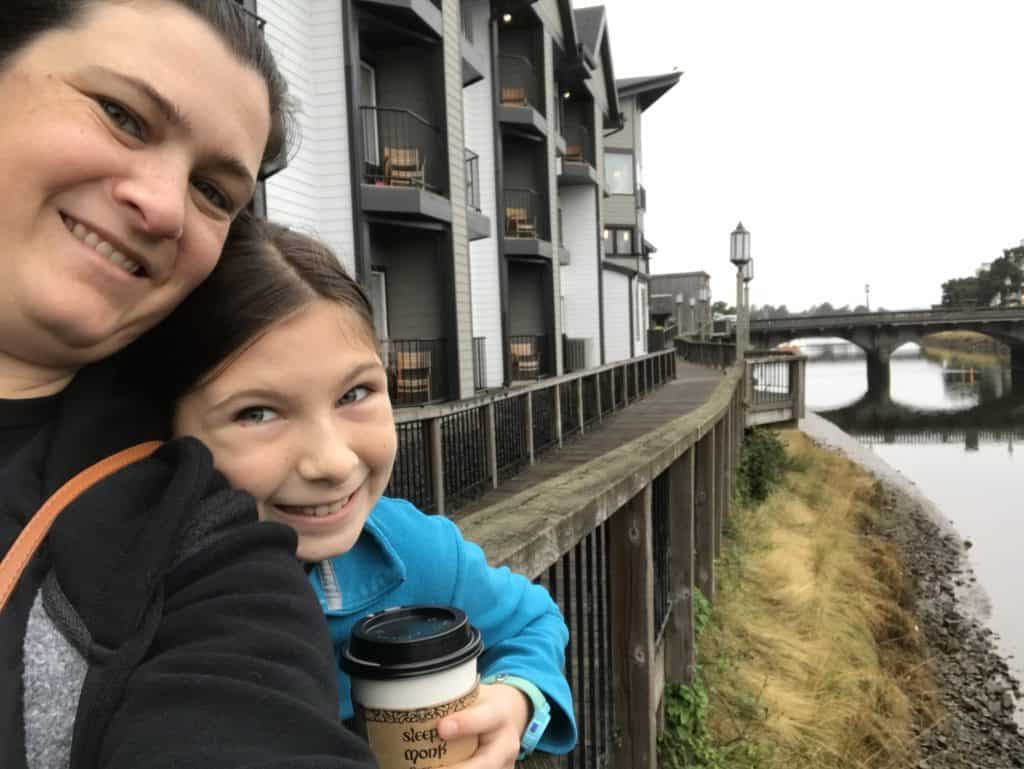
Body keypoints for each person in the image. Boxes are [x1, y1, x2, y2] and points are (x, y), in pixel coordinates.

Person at [0, 3, 376, 768]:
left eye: (212, 191)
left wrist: (524, 686)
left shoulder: (194, 544)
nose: (165, 207)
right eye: (123, 116)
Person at [149, 219, 578, 769]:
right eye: (257, 413)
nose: (332, 461)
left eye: (355, 392)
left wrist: (518, 699)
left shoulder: (402, 547)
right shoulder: (128, 604)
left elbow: (532, 620)